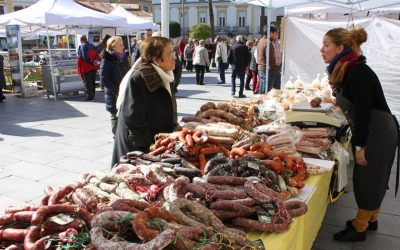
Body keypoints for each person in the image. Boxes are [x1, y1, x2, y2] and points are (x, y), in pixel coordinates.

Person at [320, 27, 399, 242]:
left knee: (367, 177)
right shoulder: (349, 68)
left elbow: (363, 111)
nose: (322, 49)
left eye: (326, 45)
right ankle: (371, 218)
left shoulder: (356, 70)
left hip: (378, 130)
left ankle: (360, 227)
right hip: (376, 128)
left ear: (340, 47)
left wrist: (360, 145)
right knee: (375, 176)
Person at [111, 36, 176, 167]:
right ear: (156, 59)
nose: (174, 57)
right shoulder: (140, 78)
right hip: (137, 150)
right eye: (170, 53)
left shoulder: (163, 74)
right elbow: (133, 120)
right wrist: (149, 147)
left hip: (154, 145)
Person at [100, 36, 130, 135]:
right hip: (114, 95)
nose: (123, 47)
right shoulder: (107, 59)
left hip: (125, 92)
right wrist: (116, 91)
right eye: (120, 45)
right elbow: (104, 79)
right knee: (115, 118)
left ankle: (123, 137)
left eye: (122, 44)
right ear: (113, 47)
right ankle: (116, 137)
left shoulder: (123, 57)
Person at [77, 35, 100, 101]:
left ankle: (90, 97)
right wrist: (94, 63)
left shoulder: (83, 45)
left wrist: (91, 62)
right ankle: (93, 95)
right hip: (93, 67)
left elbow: (85, 57)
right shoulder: (92, 45)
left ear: (81, 40)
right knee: (92, 82)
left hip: (86, 67)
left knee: (87, 82)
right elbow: (97, 54)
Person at [268, 26, 282, 91]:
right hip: (272, 68)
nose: (277, 34)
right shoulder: (267, 42)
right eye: (276, 33)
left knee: (277, 88)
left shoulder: (278, 42)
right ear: (271, 33)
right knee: (269, 88)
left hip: (278, 67)